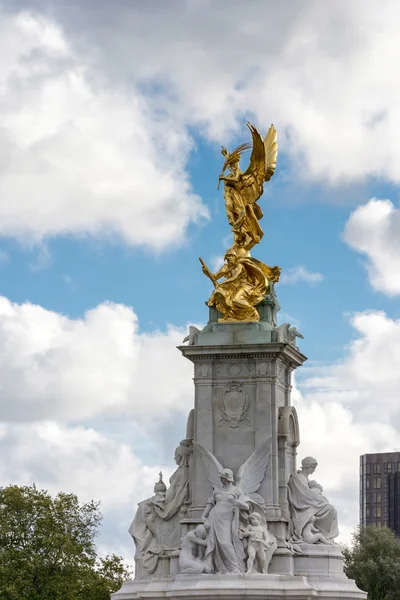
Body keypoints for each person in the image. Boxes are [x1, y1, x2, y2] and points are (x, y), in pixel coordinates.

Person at [202, 468, 249, 573]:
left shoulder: (237, 491)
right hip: (214, 517)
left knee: (225, 543)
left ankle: (235, 567)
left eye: (222, 478)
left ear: (228, 478)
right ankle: (217, 567)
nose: (221, 480)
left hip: (227, 518)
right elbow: (210, 504)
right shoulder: (217, 490)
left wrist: (237, 502)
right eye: (220, 478)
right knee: (213, 542)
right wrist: (204, 517)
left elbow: (246, 506)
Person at [288, 457, 339, 543]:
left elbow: (309, 494)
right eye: (313, 467)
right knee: (331, 509)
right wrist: (320, 499)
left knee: (332, 509)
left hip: (311, 504)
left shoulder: (307, 479)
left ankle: (326, 536)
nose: (314, 470)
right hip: (303, 506)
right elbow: (302, 496)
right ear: (307, 466)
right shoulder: (298, 478)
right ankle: (323, 536)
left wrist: (318, 498)